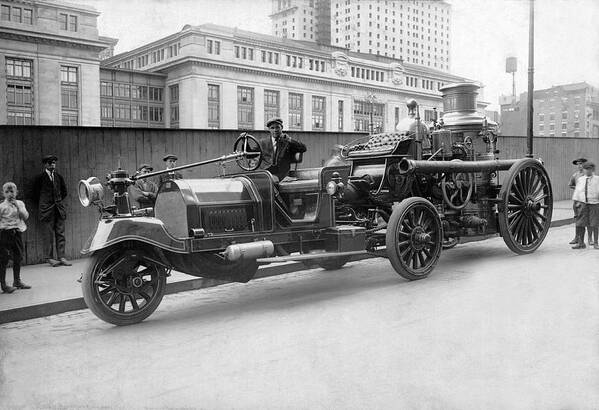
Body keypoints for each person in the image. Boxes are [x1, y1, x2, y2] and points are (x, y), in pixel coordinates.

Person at [32, 155, 71, 267]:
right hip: (46, 210)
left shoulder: (59, 177)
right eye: (50, 163)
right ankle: (49, 258)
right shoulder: (40, 178)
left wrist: (57, 202)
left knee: (61, 233)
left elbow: (64, 192)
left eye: (53, 163)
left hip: (58, 209)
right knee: (48, 235)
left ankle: (62, 257)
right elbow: (34, 195)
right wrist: (44, 204)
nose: (52, 165)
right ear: (45, 164)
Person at [0, 182, 31, 293]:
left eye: (12, 191)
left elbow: (25, 216)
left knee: (18, 257)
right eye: (7, 192)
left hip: (17, 233)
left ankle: (17, 281)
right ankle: (3, 285)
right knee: (4, 259)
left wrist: (17, 207)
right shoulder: (1, 206)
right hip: (5, 234)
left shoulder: (20, 204)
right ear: (3, 193)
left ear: (16, 192)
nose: (10, 194)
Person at [571, 162, 599, 249]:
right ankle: (581, 243)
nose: (587, 171)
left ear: (592, 170)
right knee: (580, 224)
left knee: (594, 224)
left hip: (594, 204)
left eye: (589, 169)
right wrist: (576, 202)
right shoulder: (581, 179)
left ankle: (595, 243)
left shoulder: (597, 179)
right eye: (585, 169)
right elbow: (577, 192)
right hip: (583, 204)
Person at [569, 158, 587, 245]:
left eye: (581, 164)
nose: (580, 166)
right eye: (578, 164)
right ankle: (576, 238)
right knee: (577, 219)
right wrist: (577, 188)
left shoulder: (587, 175)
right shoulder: (575, 175)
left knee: (583, 220)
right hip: (576, 200)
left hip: (584, 200)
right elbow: (570, 185)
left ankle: (585, 239)